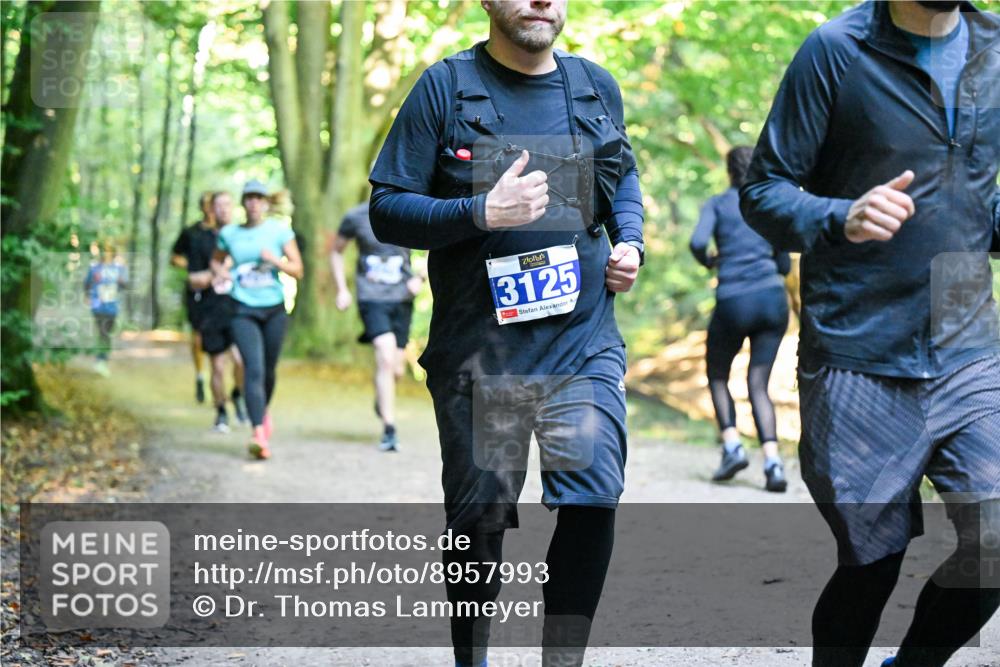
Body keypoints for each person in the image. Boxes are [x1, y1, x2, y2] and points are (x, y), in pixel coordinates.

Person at [369, 0, 644, 664]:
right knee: (479, 519)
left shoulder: (592, 86)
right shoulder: (448, 88)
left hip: (581, 344)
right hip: (484, 356)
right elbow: (388, 208)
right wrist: (480, 210)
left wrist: (630, 241)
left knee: (592, 494)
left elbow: (623, 176)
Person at [740, 1, 999, 666]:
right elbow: (764, 189)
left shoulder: (996, 46)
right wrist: (840, 214)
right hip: (858, 347)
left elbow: (975, 197)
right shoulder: (834, 50)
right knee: (871, 559)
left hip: (966, 340)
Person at [689, 146, 791, 492]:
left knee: (717, 374)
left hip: (734, 300)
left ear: (728, 171)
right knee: (759, 384)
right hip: (772, 301)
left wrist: (710, 261)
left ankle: (732, 447)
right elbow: (785, 265)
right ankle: (774, 464)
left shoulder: (718, 204)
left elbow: (698, 241)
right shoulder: (765, 205)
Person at [212, 180, 303, 460]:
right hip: (242, 309)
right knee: (253, 367)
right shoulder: (229, 233)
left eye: (258, 198)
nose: (253, 203)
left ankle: (261, 412)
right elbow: (216, 260)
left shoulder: (279, 231)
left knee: (269, 370)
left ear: (265, 203)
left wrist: (276, 262)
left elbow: (298, 269)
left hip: (274, 309)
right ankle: (258, 433)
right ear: (243, 203)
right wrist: (221, 272)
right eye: (248, 198)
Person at [331, 201, 422, 452]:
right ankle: (389, 429)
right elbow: (336, 251)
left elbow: (435, 247)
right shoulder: (355, 216)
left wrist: (420, 277)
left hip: (402, 299)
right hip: (371, 298)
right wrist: (341, 289)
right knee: (384, 353)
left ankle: (382, 398)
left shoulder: (410, 211)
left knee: (396, 369)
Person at [178, 190, 248, 433]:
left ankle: (237, 394)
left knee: (242, 361)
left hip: (240, 308)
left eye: (228, 205)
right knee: (218, 366)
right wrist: (216, 273)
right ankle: (220, 411)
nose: (224, 210)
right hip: (211, 310)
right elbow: (193, 279)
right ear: (211, 209)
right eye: (218, 206)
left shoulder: (243, 235)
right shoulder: (198, 238)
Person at [171, 193, 215, 403]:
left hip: (222, 290)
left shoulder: (227, 232)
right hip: (196, 291)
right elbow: (175, 256)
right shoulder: (191, 233)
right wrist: (191, 269)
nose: (210, 209)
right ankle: (200, 376)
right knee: (198, 336)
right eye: (207, 204)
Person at [84, 242, 128, 377]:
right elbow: (86, 284)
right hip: (98, 306)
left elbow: (124, 285)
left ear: (113, 253)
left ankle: (102, 360)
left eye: (109, 251)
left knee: (106, 334)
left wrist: (121, 278)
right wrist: (87, 297)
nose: (106, 253)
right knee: (102, 332)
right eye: (104, 250)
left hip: (112, 307)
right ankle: (100, 361)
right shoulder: (94, 268)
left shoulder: (119, 268)